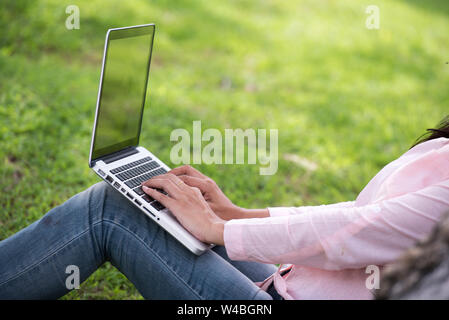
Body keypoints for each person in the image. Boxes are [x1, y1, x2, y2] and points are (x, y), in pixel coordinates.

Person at [0, 117, 448, 300]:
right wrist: (232, 215)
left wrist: (217, 229)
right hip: (285, 287)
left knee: (110, 211)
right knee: (161, 209)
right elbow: (359, 214)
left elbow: (358, 230)